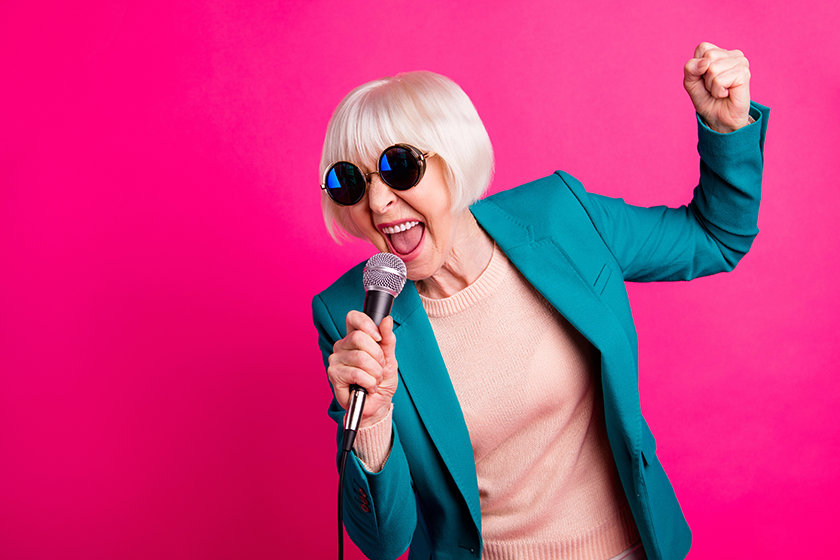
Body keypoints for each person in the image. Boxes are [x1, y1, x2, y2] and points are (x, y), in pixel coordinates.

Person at [312, 42, 769, 560]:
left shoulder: (560, 217)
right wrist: (371, 421)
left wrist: (726, 127)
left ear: (455, 160)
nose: (376, 202)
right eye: (349, 181)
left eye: (398, 168)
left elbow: (715, 238)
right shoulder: (351, 315)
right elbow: (382, 540)